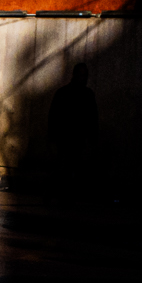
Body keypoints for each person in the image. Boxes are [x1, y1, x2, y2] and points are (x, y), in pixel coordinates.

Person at [46, 61, 100, 194]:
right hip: (70, 137)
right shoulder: (83, 94)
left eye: (85, 75)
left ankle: (57, 193)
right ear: (75, 75)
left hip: (70, 137)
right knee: (69, 166)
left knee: (67, 166)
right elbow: (92, 117)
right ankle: (63, 193)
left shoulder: (66, 93)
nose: (84, 78)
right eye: (82, 75)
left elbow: (92, 118)